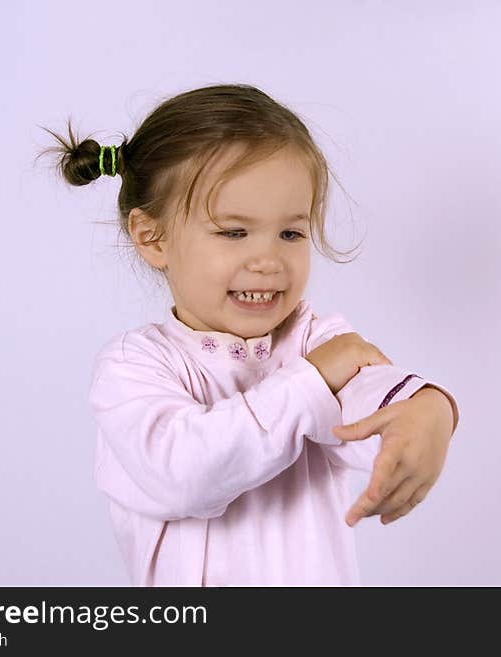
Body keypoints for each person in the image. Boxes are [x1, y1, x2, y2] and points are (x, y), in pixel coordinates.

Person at [38, 83, 460, 586]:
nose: (268, 261)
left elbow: (372, 398)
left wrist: (428, 409)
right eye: (234, 232)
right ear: (153, 238)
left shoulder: (312, 341)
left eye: (291, 233)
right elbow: (184, 474)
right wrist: (309, 382)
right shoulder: (133, 367)